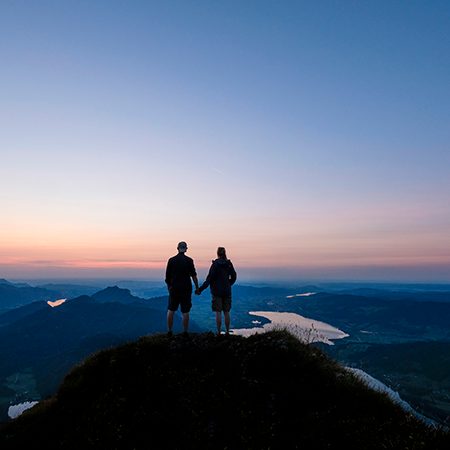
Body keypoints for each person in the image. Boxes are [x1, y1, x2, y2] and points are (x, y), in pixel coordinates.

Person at [196, 247, 237, 335]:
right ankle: (227, 331)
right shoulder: (229, 264)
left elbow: (209, 279)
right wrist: (229, 283)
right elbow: (234, 275)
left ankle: (218, 332)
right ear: (225, 253)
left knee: (218, 312)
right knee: (226, 312)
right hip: (227, 291)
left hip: (216, 292)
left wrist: (200, 289)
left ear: (217, 254)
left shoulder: (215, 265)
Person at [165, 241, 199, 336]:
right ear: (186, 249)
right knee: (185, 311)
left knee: (171, 310)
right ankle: (185, 332)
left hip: (174, 288)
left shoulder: (171, 260)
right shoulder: (189, 260)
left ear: (177, 248)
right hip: (186, 289)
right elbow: (194, 276)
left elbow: (167, 277)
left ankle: (169, 331)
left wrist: (169, 288)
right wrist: (197, 287)